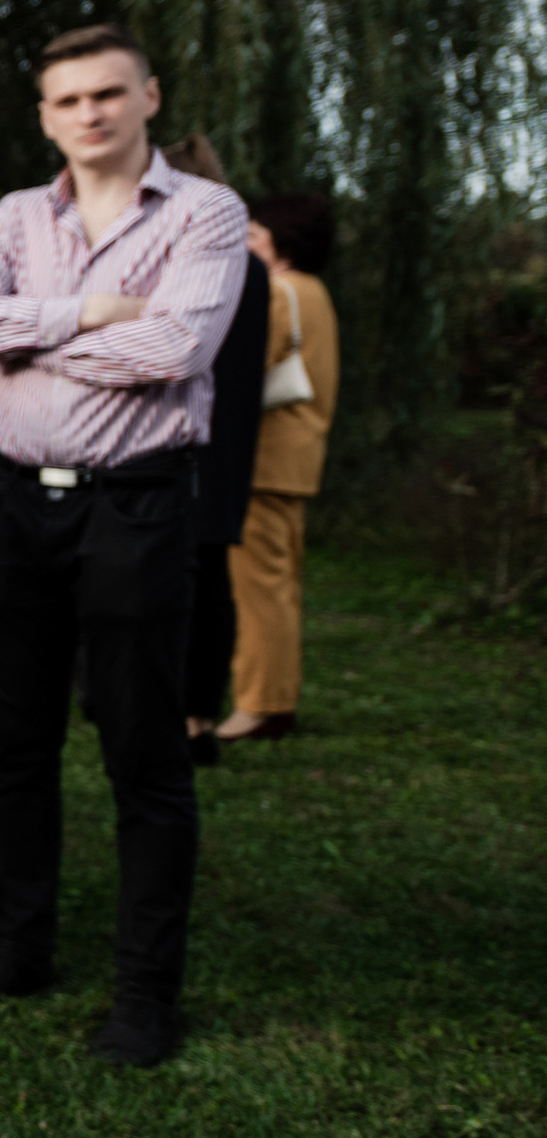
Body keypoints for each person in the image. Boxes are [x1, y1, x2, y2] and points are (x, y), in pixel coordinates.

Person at [0, 23, 247, 1069]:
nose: (90, 114)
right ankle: (21, 947)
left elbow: (176, 346)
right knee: (16, 745)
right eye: (67, 101)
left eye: (108, 93)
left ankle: (145, 993)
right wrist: (88, 312)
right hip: (16, 504)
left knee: (142, 749)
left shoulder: (206, 213)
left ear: (148, 96)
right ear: (45, 115)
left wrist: (29, 333)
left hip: (135, 508)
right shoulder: (20, 216)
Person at [156, 139, 272, 766]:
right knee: (212, 576)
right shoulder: (253, 268)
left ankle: (175, 709)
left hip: (182, 431)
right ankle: (199, 713)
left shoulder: (189, 262)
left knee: (179, 579)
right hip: (230, 439)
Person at [221, 192, 339, 743]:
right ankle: (277, 698)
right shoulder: (313, 292)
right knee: (281, 583)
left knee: (258, 586)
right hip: (296, 456)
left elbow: (247, 362)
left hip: (262, 458)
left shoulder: (279, 291)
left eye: (253, 237)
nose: (243, 246)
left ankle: (260, 705)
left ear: (281, 244)